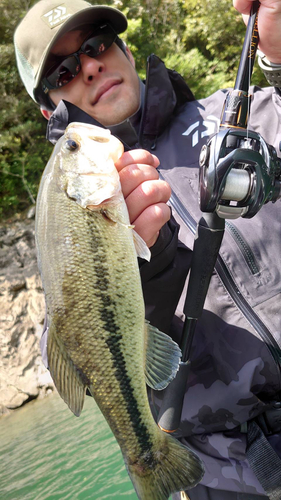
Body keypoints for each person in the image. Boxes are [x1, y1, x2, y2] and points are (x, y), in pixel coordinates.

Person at [14, 1, 281, 499]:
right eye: (64, 71)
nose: (91, 65)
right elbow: (72, 336)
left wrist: (277, 59)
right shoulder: (60, 205)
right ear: (51, 107)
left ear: (126, 49)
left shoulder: (248, 116)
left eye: (98, 44)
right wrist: (149, 270)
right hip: (232, 479)